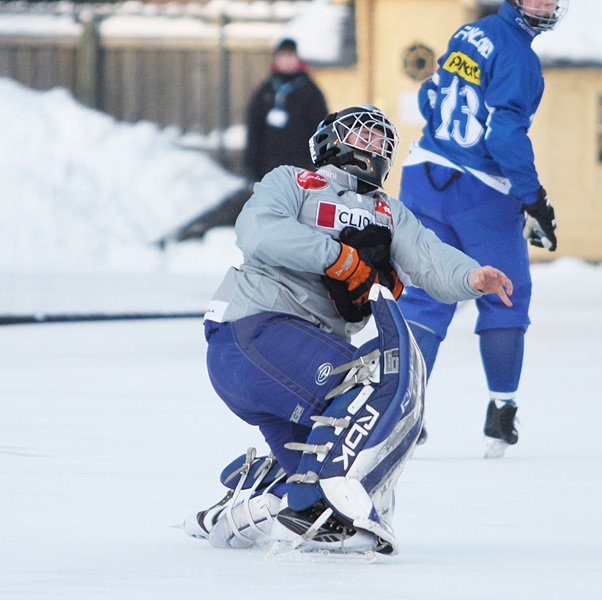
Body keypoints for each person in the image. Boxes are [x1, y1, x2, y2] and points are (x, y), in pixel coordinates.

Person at [184, 105, 513, 557]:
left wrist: (472, 276)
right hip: (254, 330)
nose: (373, 146)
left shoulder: (389, 212)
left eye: (382, 142)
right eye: (362, 135)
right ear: (329, 140)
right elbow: (259, 232)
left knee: (320, 475)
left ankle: (250, 502)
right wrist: (337, 257)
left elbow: (429, 257)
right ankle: (310, 505)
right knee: (369, 384)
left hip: (298, 366)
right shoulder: (293, 181)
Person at [396, 0, 568, 458]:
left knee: (425, 297)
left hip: (423, 173)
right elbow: (503, 136)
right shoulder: (519, 56)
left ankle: (405, 409)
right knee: (505, 295)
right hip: (479, 191)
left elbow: (429, 96)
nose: (545, 5)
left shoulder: (469, 33)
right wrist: (533, 198)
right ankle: (502, 412)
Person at [244, 38, 328, 181]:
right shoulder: (265, 91)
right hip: (269, 168)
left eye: (290, 56)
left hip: (301, 169)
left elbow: (321, 129)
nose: (286, 60)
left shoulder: (310, 91)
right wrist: (253, 167)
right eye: (282, 56)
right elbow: (254, 130)